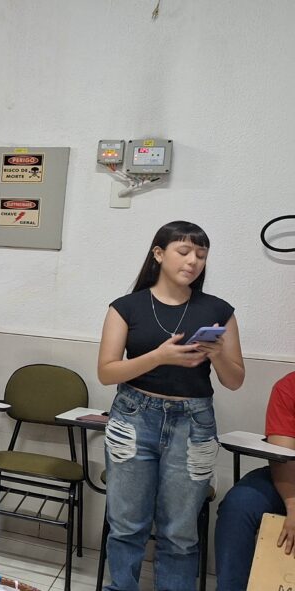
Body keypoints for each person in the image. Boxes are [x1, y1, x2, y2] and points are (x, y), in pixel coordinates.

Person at [97, 220, 245, 591]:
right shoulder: (126, 307)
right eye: (184, 251)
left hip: (193, 423)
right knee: (126, 525)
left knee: (180, 532)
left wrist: (217, 354)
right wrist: (159, 357)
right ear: (159, 254)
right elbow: (106, 371)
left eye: (201, 255)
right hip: (134, 417)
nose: (193, 261)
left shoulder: (219, 310)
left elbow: (234, 380)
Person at [215, 372, 295, 591]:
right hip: (290, 476)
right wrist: (293, 505)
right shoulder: (289, 387)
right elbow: (282, 457)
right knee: (239, 505)